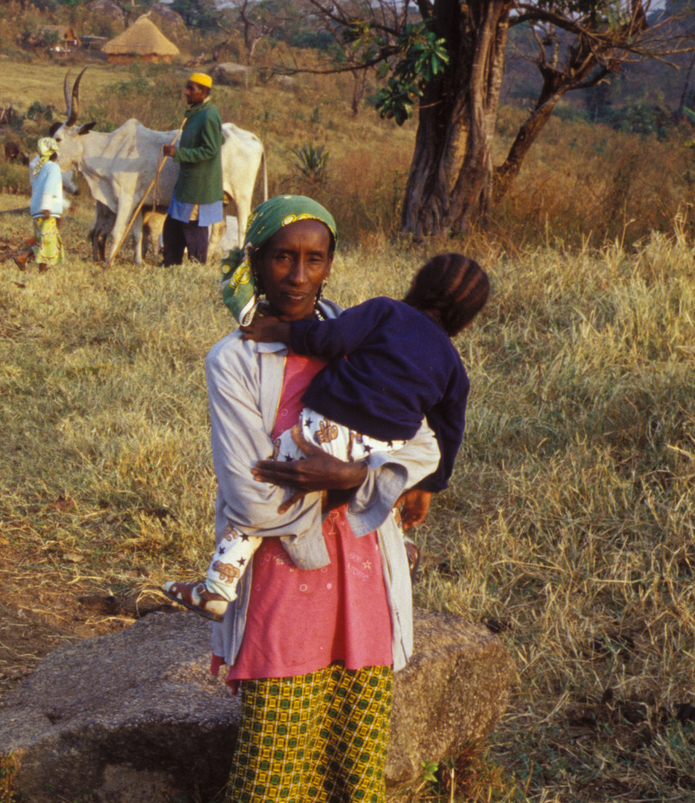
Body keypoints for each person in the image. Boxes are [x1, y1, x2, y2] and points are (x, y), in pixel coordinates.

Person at [160, 197, 442, 803]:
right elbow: (251, 498)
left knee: (355, 773)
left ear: (332, 264)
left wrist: (355, 479)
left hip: (366, 586)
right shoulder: (232, 361)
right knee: (274, 766)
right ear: (250, 259)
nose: (298, 276)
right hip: (286, 581)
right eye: (281, 257)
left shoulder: (370, 332)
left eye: (314, 259)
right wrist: (368, 487)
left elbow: (421, 446)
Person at [166, 252, 489, 618]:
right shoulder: (453, 366)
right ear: (466, 321)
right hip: (382, 447)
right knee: (383, 482)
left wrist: (280, 331)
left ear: (416, 284)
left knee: (262, 482)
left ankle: (218, 586)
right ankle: (400, 543)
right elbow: (449, 431)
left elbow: (331, 339)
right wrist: (430, 485)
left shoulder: (385, 311)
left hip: (328, 428)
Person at [159, 72, 222, 266]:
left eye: (191, 89)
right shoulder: (196, 112)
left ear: (203, 92)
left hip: (198, 185)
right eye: (187, 88)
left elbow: (210, 150)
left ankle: (196, 270)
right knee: (172, 226)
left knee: (193, 228)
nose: (186, 92)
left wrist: (178, 154)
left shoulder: (209, 115)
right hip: (186, 182)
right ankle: (170, 264)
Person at [13, 137, 69, 272]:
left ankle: (33, 264)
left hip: (36, 210)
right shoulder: (53, 168)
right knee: (48, 242)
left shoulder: (39, 169)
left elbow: (36, 188)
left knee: (45, 241)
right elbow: (49, 188)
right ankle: (24, 258)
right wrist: (47, 207)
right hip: (45, 210)